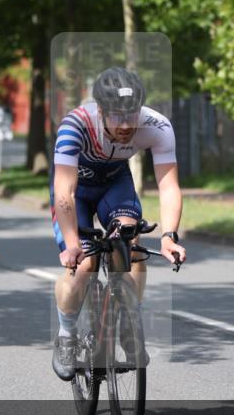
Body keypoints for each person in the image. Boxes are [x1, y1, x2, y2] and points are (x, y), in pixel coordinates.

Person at [50, 67, 187, 381]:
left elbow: (168, 186)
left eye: (131, 115)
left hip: (114, 183)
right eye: (116, 116)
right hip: (76, 191)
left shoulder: (157, 126)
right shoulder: (75, 125)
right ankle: (67, 336)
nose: (126, 125)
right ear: (100, 110)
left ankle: (128, 320)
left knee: (129, 245)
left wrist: (169, 236)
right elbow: (64, 193)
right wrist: (72, 244)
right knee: (84, 265)